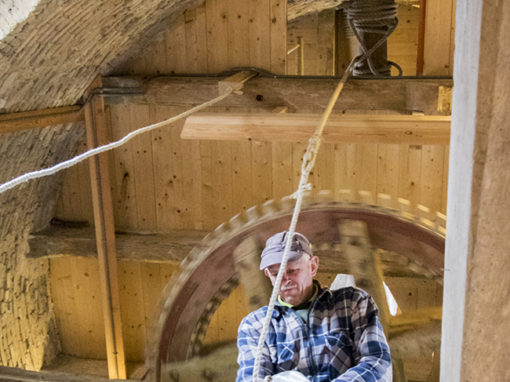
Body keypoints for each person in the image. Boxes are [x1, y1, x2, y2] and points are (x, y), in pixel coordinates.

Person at [236, 231, 392, 382]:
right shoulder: (256, 325)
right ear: (268, 275)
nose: (284, 280)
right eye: (276, 274)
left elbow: (377, 362)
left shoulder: (351, 303)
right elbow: (250, 378)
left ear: (313, 266)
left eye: (292, 271)